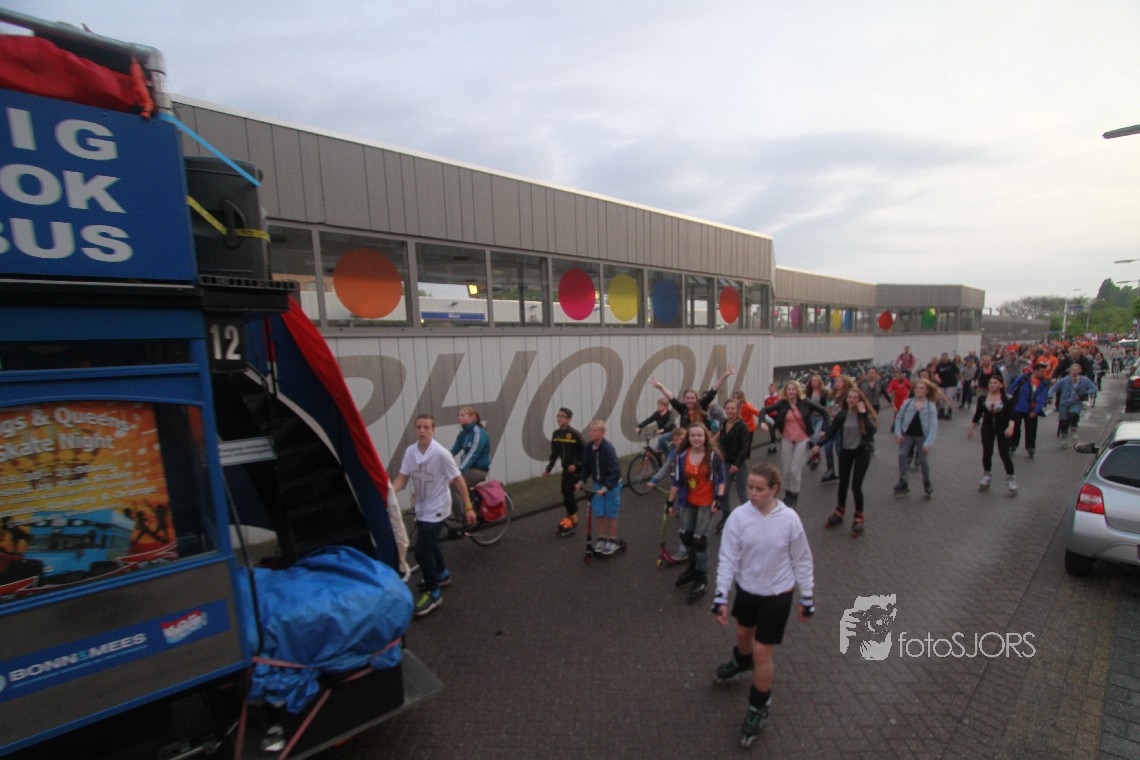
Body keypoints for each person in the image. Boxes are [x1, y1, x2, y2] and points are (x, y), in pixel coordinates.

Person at [712, 463, 814, 743]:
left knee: (761, 652)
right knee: (743, 635)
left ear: (774, 490)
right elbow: (728, 557)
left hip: (778, 593)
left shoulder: (790, 519)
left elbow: (802, 559)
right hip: (747, 589)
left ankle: (759, 705)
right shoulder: (738, 517)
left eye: (759, 489)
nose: (753, 493)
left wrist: (807, 596)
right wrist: (721, 595)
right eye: (750, 488)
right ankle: (740, 661)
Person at [391, 414, 475, 617]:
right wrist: (389, 494)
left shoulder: (441, 454)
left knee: (421, 552)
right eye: (419, 427)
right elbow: (402, 478)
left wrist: (468, 506)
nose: (422, 431)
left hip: (438, 508)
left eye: (426, 427)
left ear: (433, 430)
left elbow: (458, 480)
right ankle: (442, 574)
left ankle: (434, 593)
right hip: (422, 507)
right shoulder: (410, 452)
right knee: (431, 544)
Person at [667, 422, 726, 602]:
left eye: (700, 435)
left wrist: (719, 498)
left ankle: (702, 576)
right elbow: (677, 481)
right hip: (688, 502)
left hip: (707, 503)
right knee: (686, 536)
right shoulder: (682, 456)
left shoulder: (713, 456)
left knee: (699, 540)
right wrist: (669, 502)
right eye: (693, 435)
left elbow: (722, 479)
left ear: (705, 436)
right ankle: (693, 567)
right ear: (688, 437)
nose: (696, 438)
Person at [812, 388, 877, 536]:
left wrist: (863, 413)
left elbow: (872, 430)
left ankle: (859, 516)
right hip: (846, 451)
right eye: (849, 397)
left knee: (856, 486)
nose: (851, 400)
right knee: (843, 483)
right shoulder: (842, 414)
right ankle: (840, 510)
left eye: (854, 398)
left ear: (859, 400)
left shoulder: (863, 414)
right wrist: (819, 445)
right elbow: (832, 431)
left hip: (862, 452)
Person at [759, 380, 828, 508]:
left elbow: (825, 412)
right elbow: (763, 411)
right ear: (785, 391)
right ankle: (788, 494)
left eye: (793, 389)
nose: (791, 391)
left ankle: (794, 496)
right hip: (787, 439)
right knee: (786, 471)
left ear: (797, 391)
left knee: (795, 470)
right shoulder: (782, 404)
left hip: (802, 439)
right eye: (789, 389)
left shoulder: (805, 402)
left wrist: (824, 429)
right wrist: (762, 422)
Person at [575, 419, 623, 553]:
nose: (591, 433)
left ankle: (612, 539)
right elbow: (586, 466)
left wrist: (606, 487)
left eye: (594, 430)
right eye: (590, 430)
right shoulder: (589, 447)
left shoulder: (608, 448)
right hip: (598, 484)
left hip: (612, 485)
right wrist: (581, 481)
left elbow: (616, 471)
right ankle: (601, 537)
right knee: (599, 511)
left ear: (602, 433)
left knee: (611, 512)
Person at [968, 375, 1018, 493]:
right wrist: (971, 428)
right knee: (987, 451)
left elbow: (1012, 416)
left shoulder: (1008, 399)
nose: (992, 385)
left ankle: (1011, 479)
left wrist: (1010, 427)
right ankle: (986, 475)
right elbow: (978, 414)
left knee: (1004, 453)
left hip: (1002, 427)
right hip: (987, 426)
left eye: (995, 383)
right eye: (990, 383)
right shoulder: (982, 398)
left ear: (1001, 385)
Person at [648, 425, 690, 562]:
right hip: (682, 491)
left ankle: (693, 549)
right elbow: (666, 469)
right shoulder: (673, 454)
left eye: (682, 438)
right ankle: (685, 550)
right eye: (676, 439)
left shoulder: (694, 451)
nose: (679, 441)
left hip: (696, 491)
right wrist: (654, 480)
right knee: (684, 521)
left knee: (693, 523)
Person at [892, 379, 940, 497]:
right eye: (916, 388)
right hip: (907, 435)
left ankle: (927, 482)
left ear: (927, 391)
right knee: (902, 455)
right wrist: (898, 434)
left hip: (921, 436)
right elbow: (899, 418)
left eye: (921, 388)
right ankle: (903, 480)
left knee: (923, 460)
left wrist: (928, 443)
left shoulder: (930, 406)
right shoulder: (908, 403)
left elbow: (933, 426)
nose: (918, 390)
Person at [649, 365, 734, 430]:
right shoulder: (682, 408)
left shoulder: (701, 405)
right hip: (687, 439)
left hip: (701, 438)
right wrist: (661, 387)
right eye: (688, 398)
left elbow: (713, 390)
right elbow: (671, 398)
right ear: (684, 399)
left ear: (696, 399)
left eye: (692, 398)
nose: (690, 401)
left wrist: (725, 376)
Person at [543, 407, 585, 537]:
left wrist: (576, 465)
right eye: (558, 416)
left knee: (568, 492)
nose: (559, 418)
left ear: (569, 419)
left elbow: (586, 453)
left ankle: (574, 521)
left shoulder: (575, 434)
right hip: (566, 469)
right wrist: (549, 468)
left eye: (562, 416)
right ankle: (570, 516)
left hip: (577, 469)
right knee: (564, 492)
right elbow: (554, 453)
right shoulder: (556, 434)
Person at [450, 405, 491, 516]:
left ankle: (462, 518)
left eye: (463, 415)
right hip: (467, 469)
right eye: (459, 415)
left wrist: (458, 472)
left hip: (478, 470)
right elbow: (452, 451)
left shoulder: (479, 434)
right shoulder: (463, 434)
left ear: (472, 418)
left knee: (454, 486)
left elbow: (472, 455)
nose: (459, 417)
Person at [718, 399, 751, 532]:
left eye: (733, 409)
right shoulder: (724, 424)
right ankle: (726, 514)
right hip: (726, 462)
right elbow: (721, 443)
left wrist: (736, 464)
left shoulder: (742, 426)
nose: (730, 411)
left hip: (740, 463)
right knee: (724, 491)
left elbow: (745, 447)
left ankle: (749, 517)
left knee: (741, 491)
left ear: (737, 410)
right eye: (728, 408)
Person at [1048, 364, 1098, 448]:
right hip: (1064, 403)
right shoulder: (1064, 380)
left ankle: (1074, 429)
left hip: (1076, 402)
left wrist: (1085, 394)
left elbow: (1094, 388)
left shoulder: (1084, 380)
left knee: (1073, 415)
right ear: (1070, 371)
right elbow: (1053, 388)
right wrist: (1050, 396)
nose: (1074, 372)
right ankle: (1064, 437)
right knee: (1063, 422)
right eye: (1073, 370)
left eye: (1076, 370)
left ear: (1080, 371)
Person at [934, 352, 960, 419]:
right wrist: (937, 378)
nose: (945, 359)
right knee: (941, 398)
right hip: (942, 384)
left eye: (946, 357)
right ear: (941, 358)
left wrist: (961, 379)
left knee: (949, 397)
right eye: (943, 357)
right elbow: (936, 373)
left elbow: (957, 372)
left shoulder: (952, 364)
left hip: (951, 384)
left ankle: (949, 411)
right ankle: (941, 411)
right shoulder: (939, 365)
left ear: (948, 358)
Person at [760, 383, 781, 454]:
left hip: (778, 416)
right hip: (770, 417)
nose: (771, 389)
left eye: (772, 388)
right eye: (770, 388)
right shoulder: (766, 397)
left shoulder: (779, 397)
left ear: (776, 389)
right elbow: (765, 408)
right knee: (772, 431)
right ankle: (773, 444)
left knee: (781, 429)